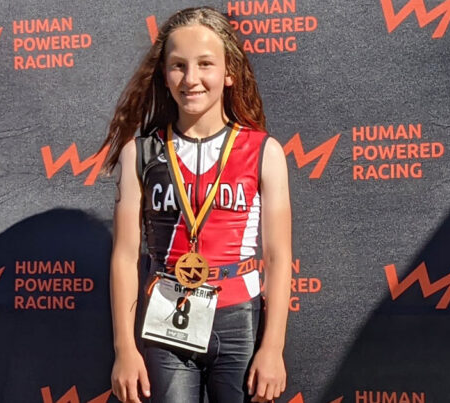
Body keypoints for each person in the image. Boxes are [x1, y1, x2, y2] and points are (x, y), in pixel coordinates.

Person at [101, 7, 291, 403]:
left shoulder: (263, 151)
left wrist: (272, 349)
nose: (191, 79)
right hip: (164, 317)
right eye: (177, 65)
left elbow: (277, 256)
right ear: (164, 74)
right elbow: (123, 258)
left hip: (240, 317)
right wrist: (125, 350)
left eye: (205, 64)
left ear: (228, 72)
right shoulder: (140, 153)